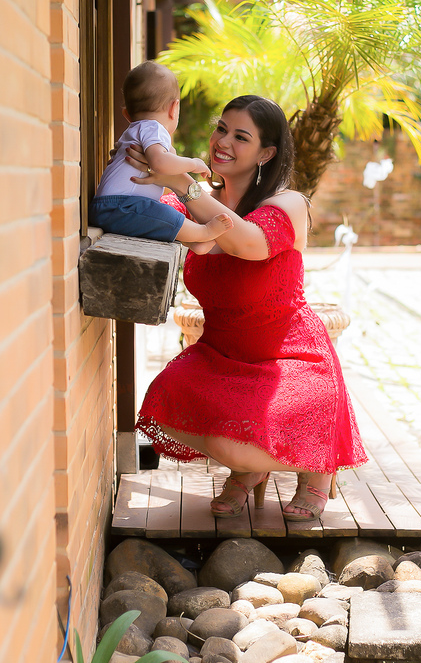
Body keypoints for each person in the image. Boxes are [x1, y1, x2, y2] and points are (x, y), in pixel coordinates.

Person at [125, 94, 368, 521]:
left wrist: (182, 180)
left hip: (290, 357)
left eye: (241, 136)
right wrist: (135, 163)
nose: (224, 142)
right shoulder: (190, 205)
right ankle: (250, 469)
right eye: (222, 129)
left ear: (266, 153)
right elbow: (146, 214)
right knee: (163, 401)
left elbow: (246, 243)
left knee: (253, 432)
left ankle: (313, 469)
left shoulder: (289, 204)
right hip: (221, 353)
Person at [91, 61, 233, 253]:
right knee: (160, 213)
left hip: (111, 206)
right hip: (121, 205)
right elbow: (159, 164)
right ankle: (203, 232)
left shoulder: (135, 129)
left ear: (127, 114)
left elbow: (163, 159)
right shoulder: (153, 127)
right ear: (174, 109)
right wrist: (193, 163)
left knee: (152, 219)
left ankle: (192, 242)